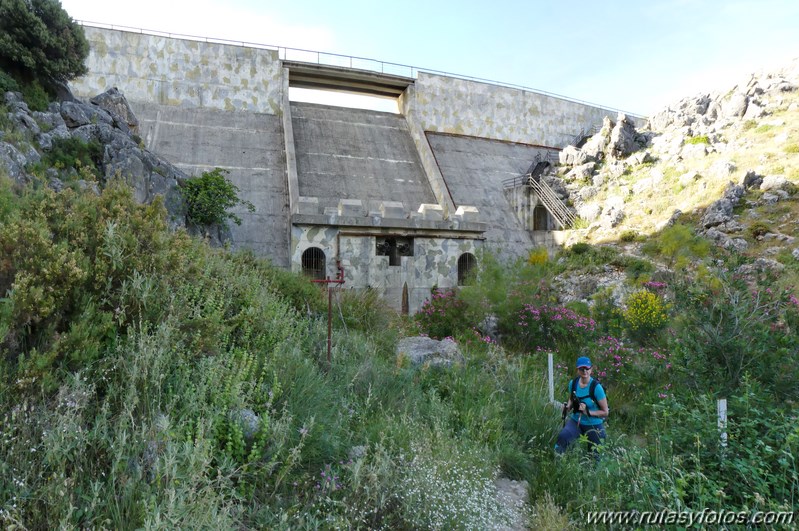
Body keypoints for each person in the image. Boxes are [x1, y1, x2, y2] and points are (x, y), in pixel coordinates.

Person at [555, 356, 609, 457]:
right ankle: (556, 463)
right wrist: (568, 407)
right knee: (563, 437)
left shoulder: (596, 387)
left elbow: (605, 412)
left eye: (587, 368)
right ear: (577, 370)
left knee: (595, 455)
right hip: (576, 421)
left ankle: (593, 471)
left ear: (591, 369)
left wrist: (588, 412)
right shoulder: (573, 383)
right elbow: (572, 397)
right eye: (581, 369)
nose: (584, 371)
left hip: (594, 424)